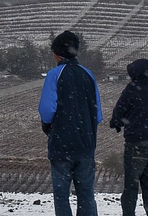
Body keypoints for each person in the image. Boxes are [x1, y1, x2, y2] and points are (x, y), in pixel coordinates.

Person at [39, 30, 103, 216]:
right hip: (86, 145)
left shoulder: (54, 75)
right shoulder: (88, 75)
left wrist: (48, 126)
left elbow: (47, 110)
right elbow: (97, 114)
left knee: (61, 196)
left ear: (57, 53)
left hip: (61, 145)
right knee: (86, 195)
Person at [109, 58, 148, 216]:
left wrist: (116, 123)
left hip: (136, 142)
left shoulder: (132, 88)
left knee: (131, 185)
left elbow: (120, 110)